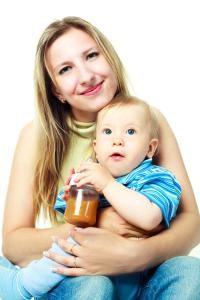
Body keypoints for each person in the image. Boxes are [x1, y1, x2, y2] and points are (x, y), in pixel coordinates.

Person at [0, 16, 199, 300]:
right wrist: (99, 223)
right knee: (95, 286)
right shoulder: (36, 136)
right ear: (56, 89)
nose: (86, 76)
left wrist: (136, 255)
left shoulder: (149, 121)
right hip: (82, 277)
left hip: (143, 274)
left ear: (110, 57)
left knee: (191, 272)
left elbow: (190, 221)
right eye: (66, 69)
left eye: (91, 55)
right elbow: (14, 244)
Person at [0, 96, 182, 299]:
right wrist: (74, 198)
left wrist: (108, 185)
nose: (117, 140)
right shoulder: (92, 174)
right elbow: (73, 222)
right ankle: (24, 284)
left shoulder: (157, 177)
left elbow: (149, 218)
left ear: (150, 148)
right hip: (91, 272)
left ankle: (23, 284)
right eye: (107, 131)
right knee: (73, 241)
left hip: (138, 277)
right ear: (96, 146)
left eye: (130, 132)